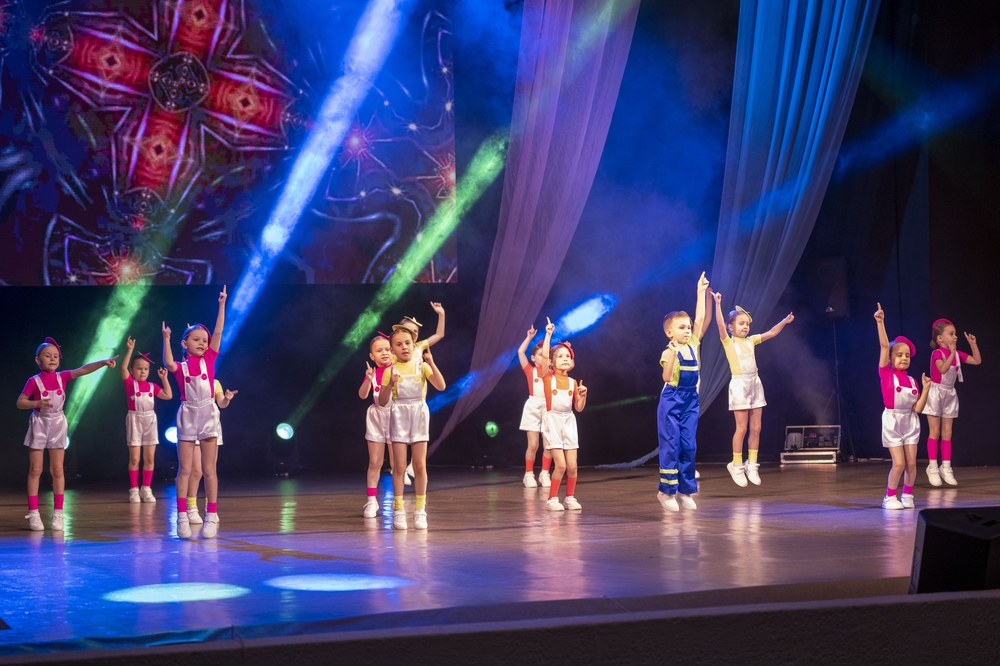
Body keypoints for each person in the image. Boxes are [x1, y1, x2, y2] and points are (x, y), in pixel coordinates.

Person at [17, 338, 117, 531]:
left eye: (55, 356)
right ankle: (34, 513)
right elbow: (20, 402)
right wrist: (36, 403)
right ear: (38, 360)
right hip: (39, 423)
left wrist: (103, 362)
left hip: (57, 423)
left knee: (57, 469)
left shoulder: (62, 377)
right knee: (36, 469)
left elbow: (83, 370)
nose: (52, 359)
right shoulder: (34, 381)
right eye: (48, 356)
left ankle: (58, 514)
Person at [163, 286, 227, 538]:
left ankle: (211, 515)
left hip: (208, 414)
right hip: (188, 414)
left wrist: (221, 305)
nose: (202, 343)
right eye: (196, 339)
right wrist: (166, 339)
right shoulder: (181, 367)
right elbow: (168, 364)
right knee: (186, 470)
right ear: (185, 343)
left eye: (204, 340)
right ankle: (182, 516)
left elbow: (218, 331)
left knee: (209, 470)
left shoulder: (209, 359)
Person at [712, 293, 793, 487]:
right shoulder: (729, 342)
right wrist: (718, 304)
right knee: (742, 428)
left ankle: (752, 465)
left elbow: (771, 333)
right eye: (741, 323)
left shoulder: (752, 340)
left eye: (747, 324)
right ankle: (736, 465)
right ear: (731, 327)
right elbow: (720, 325)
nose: (745, 327)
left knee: (757, 427)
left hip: (755, 383)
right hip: (740, 385)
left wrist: (784, 321)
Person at [380, 329, 445, 530]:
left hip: (418, 414)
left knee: (419, 465)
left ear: (413, 344)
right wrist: (389, 384)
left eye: (407, 343)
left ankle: (420, 510)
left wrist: (431, 363)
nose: (404, 347)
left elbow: (441, 386)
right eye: (399, 344)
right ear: (392, 350)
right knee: (399, 466)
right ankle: (399, 510)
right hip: (399, 414)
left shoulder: (422, 366)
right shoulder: (390, 371)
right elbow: (382, 401)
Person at [656, 272, 710, 512]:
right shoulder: (669, 351)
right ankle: (666, 492)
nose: (688, 330)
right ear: (670, 333)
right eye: (682, 327)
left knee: (689, 446)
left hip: (690, 401)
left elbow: (701, 317)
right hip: (672, 399)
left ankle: (686, 491)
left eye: (688, 327)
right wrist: (673, 354)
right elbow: (666, 377)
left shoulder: (694, 343)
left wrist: (700, 292)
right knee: (671, 445)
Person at [875, 303, 931, 509]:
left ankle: (908, 494)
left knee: (912, 463)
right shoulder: (886, 374)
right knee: (899, 463)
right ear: (890, 358)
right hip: (893, 420)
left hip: (910, 421)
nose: (904, 358)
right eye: (899, 355)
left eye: (907, 355)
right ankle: (889, 497)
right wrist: (880, 322)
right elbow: (884, 346)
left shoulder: (913, 381)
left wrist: (926, 389)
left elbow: (918, 409)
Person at [392, 303, 446, 485]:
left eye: (415, 331)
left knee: (418, 440)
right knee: (398, 440)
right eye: (408, 330)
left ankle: (410, 467)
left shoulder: (419, 347)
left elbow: (439, 334)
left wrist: (441, 314)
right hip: (399, 400)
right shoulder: (395, 353)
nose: (413, 334)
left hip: (417, 399)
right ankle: (397, 467)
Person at [923, 318, 981, 487]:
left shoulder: (957, 354)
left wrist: (973, 345)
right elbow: (942, 369)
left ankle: (946, 467)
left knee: (947, 433)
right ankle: (932, 467)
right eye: (951, 334)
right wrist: (951, 354)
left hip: (949, 393)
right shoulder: (937, 353)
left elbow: (977, 361)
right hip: (936, 393)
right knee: (934, 432)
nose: (955, 337)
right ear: (940, 338)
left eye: (955, 334)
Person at [120, 337, 172, 503]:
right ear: (132, 370)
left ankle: (146, 488)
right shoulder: (130, 384)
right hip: (134, 419)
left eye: (146, 369)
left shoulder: (151, 386)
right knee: (135, 458)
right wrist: (130, 350)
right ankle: (134, 489)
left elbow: (168, 395)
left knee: (149, 458)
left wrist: (164, 378)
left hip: (150, 420)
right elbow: (122, 368)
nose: (142, 372)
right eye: (139, 369)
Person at [541, 330, 588, 511]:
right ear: (551, 362)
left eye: (567, 356)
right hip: (553, 421)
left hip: (568, 421)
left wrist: (583, 395)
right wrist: (548, 335)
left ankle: (570, 497)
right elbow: (544, 356)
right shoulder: (548, 377)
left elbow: (578, 408)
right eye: (560, 356)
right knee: (560, 465)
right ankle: (552, 499)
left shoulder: (573, 382)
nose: (565, 359)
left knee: (572, 466)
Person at [186, 378, 236, 525]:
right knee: (196, 471)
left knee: (210, 470)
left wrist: (226, 399)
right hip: (192, 424)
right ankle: (191, 507)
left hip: (210, 427)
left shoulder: (214, 383)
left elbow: (221, 403)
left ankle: (211, 509)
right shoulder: (188, 379)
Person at [359, 334, 394, 518]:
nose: (384, 353)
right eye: (379, 350)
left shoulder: (398, 370)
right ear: (372, 356)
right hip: (376, 418)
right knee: (375, 462)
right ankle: (371, 500)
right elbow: (363, 395)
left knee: (397, 463)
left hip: (396, 417)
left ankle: (398, 498)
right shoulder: (372, 374)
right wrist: (368, 379)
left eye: (388, 349)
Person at [517, 322, 553, 488]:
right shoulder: (529, 370)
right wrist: (529, 337)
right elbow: (520, 352)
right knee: (533, 445)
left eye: (546, 355)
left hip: (549, 407)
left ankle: (544, 474)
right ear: (533, 358)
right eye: (540, 355)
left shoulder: (552, 373)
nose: (544, 357)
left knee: (548, 445)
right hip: (533, 406)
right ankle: (529, 474)